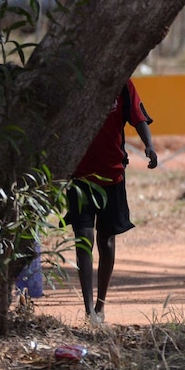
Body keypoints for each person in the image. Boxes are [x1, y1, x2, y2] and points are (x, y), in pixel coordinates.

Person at [65, 79, 157, 324]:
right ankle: (88, 312)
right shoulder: (76, 82)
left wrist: (149, 145)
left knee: (106, 242)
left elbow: (138, 117)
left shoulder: (122, 85)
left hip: (112, 175)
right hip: (79, 177)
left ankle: (100, 305)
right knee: (84, 240)